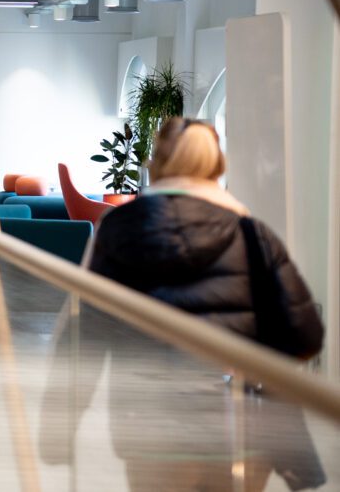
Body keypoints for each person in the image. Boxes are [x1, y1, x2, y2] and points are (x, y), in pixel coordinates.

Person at [39, 118, 325, 491]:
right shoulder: (252, 234)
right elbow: (305, 335)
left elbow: (83, 333)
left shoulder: (117, 228)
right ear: (217, 167)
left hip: (147, 426)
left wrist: (57, 431)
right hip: (234, 426)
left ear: (156, 164)